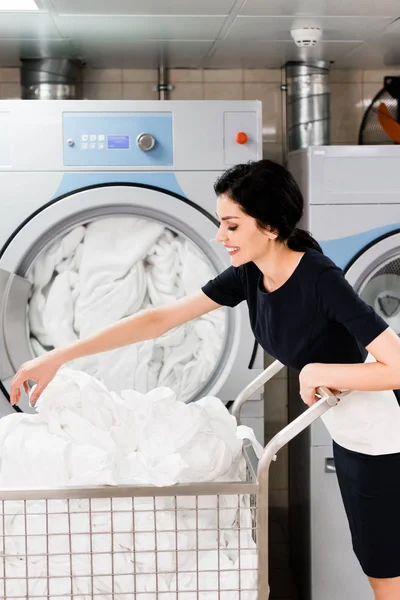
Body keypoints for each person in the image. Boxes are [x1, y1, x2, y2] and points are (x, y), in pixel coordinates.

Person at [10, 159, 400, 600]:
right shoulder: (254, 275)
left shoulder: (319, 278)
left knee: (383, 570)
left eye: (232, 225)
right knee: (379, 563)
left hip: (384, 438)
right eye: (220, 223)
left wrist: (317, 371)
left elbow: (397, 366)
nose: (220, 236)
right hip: (351, 433)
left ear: (269, 227)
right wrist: (59, 357)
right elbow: (160, 318)